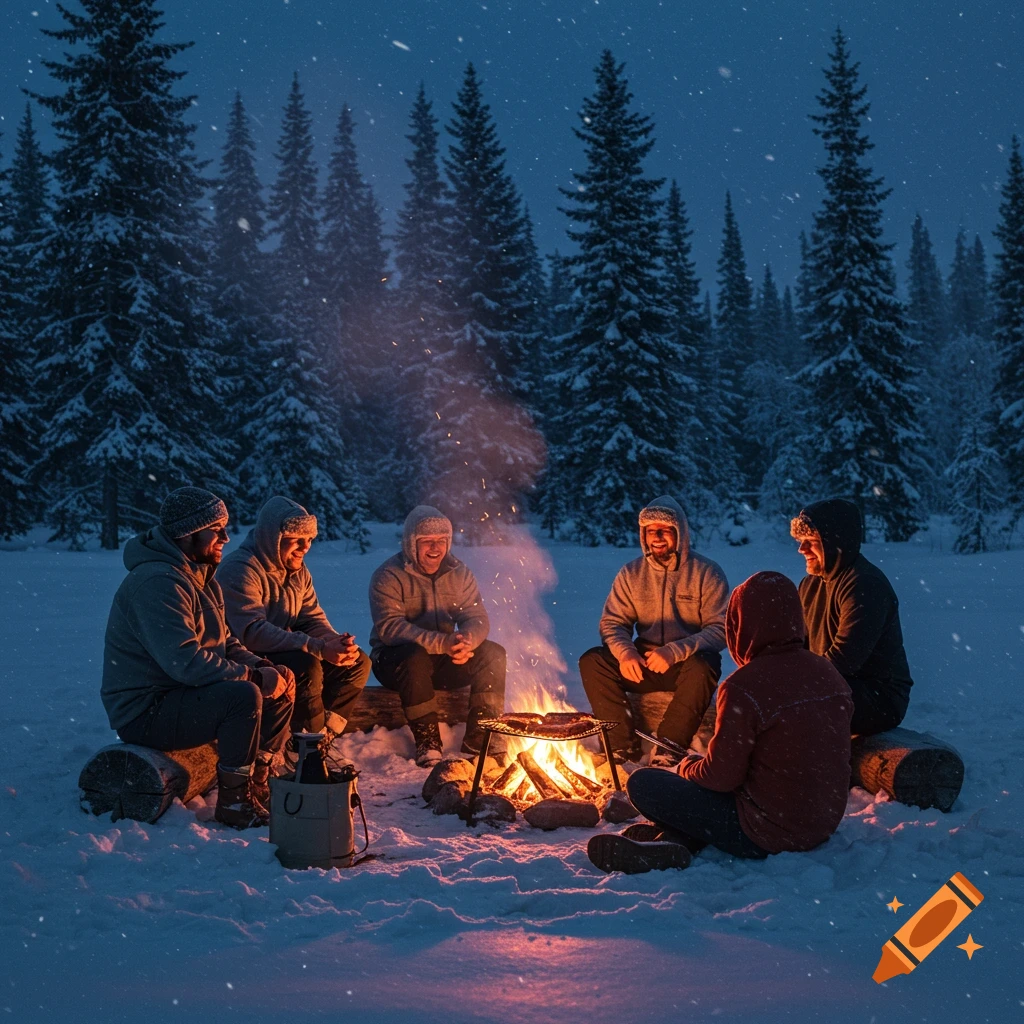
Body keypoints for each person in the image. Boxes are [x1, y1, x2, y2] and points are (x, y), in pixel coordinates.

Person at [588, 571, 854, 874]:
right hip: (821, 823)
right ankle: (672, 843)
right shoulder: (827, 673)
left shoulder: (745, 687)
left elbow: (720, 778)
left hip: (764, 831)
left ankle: (677, 834)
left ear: (742, 624)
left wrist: (687, 767)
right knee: (701, 797)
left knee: (644, 783)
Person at [101, 487, 296, 830]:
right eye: (216, 528)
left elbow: (228, 643)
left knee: (278, 678)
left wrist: (262, 667)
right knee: (244, 696)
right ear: (189, 534)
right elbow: (186, 662)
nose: (226, 536)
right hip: (146, 710)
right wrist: (252, 680)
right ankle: (234, 804)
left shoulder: (201, 578)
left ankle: (258, 779)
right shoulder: (157, 582)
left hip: (181, 696)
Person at [578, 495, 728, 764]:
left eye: (664, 530)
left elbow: (720, 629)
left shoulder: (706, 572)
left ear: (679, 533)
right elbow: (613, 622)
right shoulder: (631, 573)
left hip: (686, 665)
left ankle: (668, 749)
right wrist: (625, 654)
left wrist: (674, 651)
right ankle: (620, 747)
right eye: (650, 531)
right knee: (593, 661)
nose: (657, 537)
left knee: (706, 664)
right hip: (643, 663)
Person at [219, 496, 371, 751]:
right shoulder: (240, 569)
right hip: (245, 660)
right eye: (297, 539)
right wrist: (318, 647)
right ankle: (305, 746)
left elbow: (310, 617)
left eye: (309, 539)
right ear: (273, 536)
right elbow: (251, 632)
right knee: (306, 666)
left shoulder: (298, 571)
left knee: (357, 663)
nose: (305, 547)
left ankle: (323, 737)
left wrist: (334, 641)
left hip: (281, 649)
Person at [369, 505, 506, 767]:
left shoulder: (459, 573)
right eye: (427, 542)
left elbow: (476, 617)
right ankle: (428, 741)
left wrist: (466, 640)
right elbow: (390, 628)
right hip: (395, 662)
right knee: (414, 655)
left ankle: (481, 737)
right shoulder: (388, 576)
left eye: (441, 542)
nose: (435, 548)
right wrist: (442, 643)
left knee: (493, 654)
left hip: (444, 658)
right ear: (411, 544)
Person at [790, 497, 914, 735]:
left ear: (835, 542)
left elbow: (843, 661)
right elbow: (796, 647)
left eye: (811, 541)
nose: (802, 549)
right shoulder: (809, 585)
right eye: (800, 541)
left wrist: (794, 686)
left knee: (791, 710)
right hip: (828, 686)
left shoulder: (865, 585)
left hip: (877, 697)